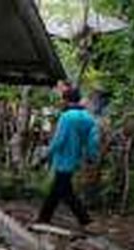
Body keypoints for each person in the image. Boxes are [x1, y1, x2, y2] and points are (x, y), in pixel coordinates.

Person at [37, 85, 100, 228]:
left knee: (63, 191)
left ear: (66, 100)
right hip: (75, 159)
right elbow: (93, 141)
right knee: (61, 190)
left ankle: (85, 220)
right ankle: (44, 218)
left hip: (63, 159)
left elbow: (59, 140)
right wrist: (91, 156)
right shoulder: (89, 118)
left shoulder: (66, 117)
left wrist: (46, 155)